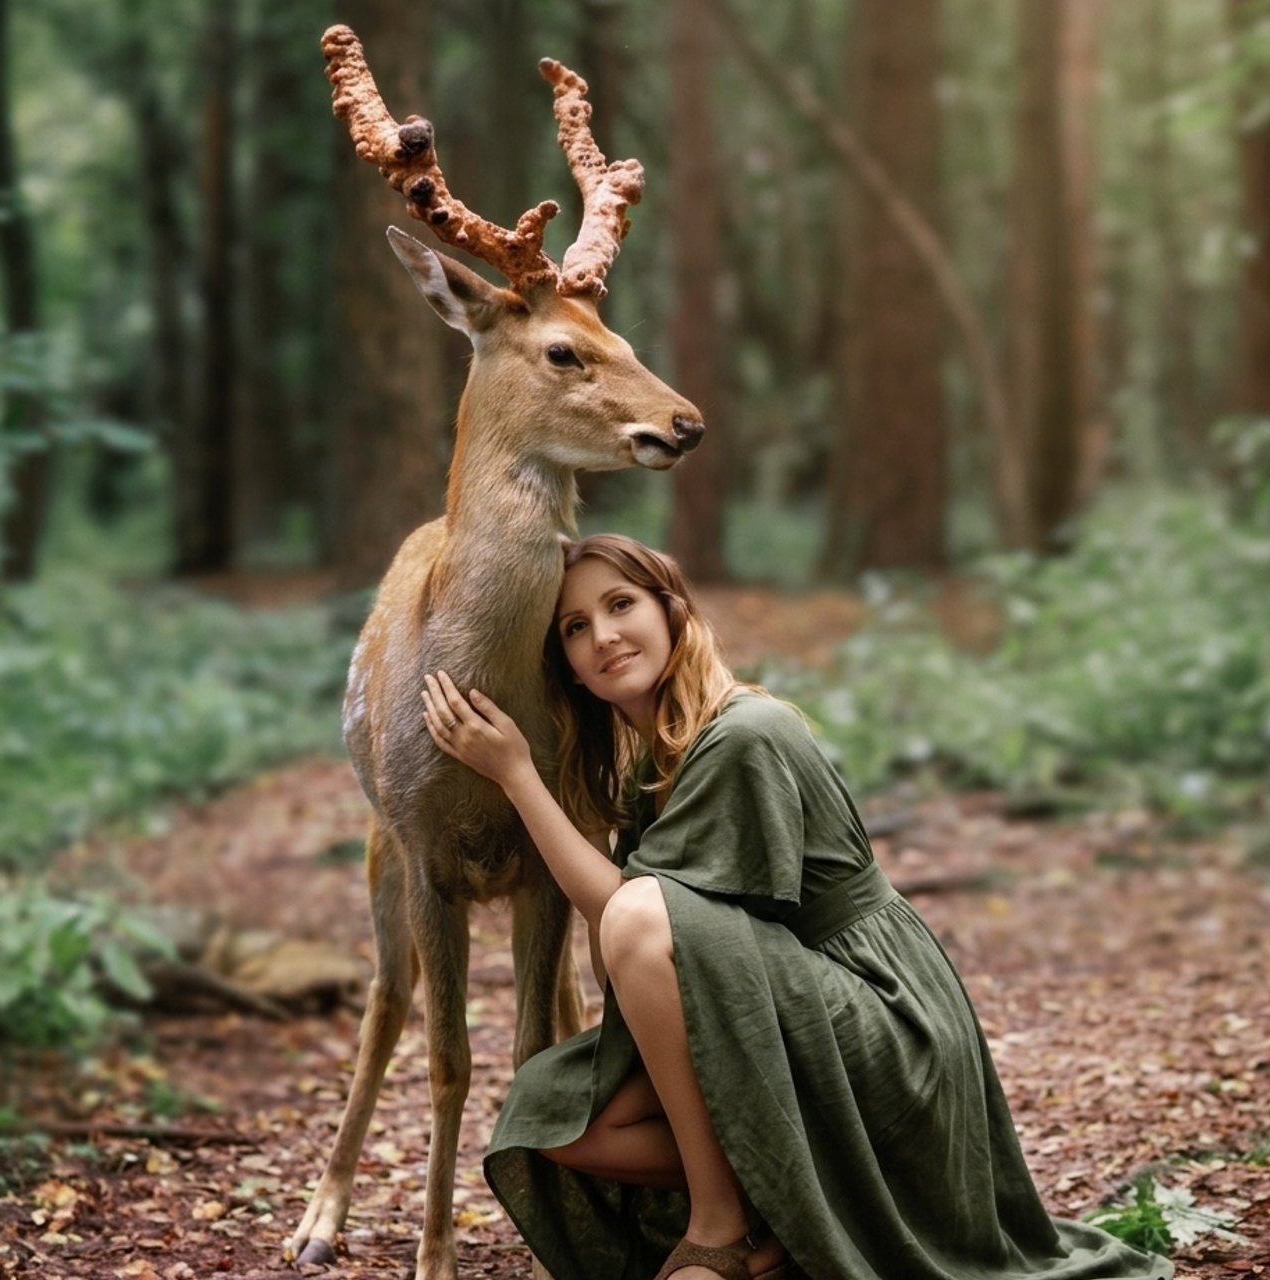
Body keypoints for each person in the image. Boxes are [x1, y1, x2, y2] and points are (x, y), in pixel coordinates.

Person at [420, 534, 1171, 1280]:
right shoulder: (660, 758)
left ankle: (719, 1229)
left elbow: (630, 916)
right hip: (787, 995)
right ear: (571, 670)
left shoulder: (743, 735)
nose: (603, 636)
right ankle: (778, 1208)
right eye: (575, 628)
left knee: (640, 916)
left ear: (673, 613)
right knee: (558, 1122)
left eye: (621, 604)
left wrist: (517, 775)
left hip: (884, 1014)